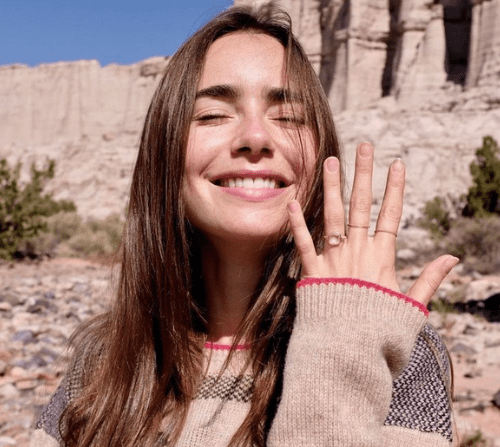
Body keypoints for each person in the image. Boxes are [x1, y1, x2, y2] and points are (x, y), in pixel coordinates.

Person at [31, 5, 458, 447]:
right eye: (213, 115)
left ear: (322, 153)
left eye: (288, 117)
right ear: (164, 152)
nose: (255, 137)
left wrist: (344, 340)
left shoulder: (393, 348)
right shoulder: (104, 360)